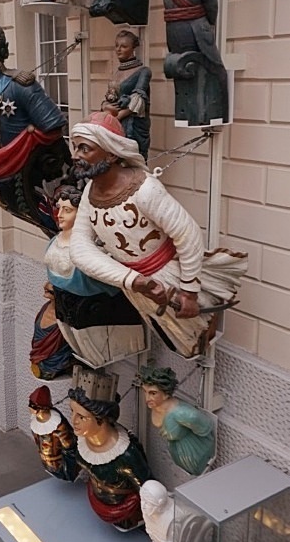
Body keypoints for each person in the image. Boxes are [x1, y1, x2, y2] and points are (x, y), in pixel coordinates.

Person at [68, 112, 247, 359]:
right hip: (139, 286)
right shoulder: (90, 192)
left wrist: (189, 291)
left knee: (193, 332)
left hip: (171, 277)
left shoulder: (145, 190)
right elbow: (79, 247)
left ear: (111, 154)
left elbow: (187, 234)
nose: (75, 155)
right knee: (171, 334)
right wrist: (134, 280)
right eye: (75, 147)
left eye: (84, 148)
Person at [0, 15, 71, 235]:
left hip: (28, 180)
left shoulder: (19, 85)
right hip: (1, 179)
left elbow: (52, 125)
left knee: (57, 229)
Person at [44, 184, 145, 368]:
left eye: (67, 210)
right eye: (59, 209)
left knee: (98, 346)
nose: (60, 215)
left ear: (81, 214)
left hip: (95, 310)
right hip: (68, 307)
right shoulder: (54, 241)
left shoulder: (90, 249)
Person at [163, 0, 229, 126]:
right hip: (177, 26)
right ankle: (190, 112)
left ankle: (208, 111)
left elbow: (210, 1)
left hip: (193, 26)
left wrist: (208, 24)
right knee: (184, 69)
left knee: (210, 68)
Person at [68, 386, 151, 530]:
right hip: (95, 499)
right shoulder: (81, 441)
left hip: (123, 511)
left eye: (81, 417)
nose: (73, 420)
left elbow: (147, 488)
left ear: (102, 419)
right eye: (72, 412)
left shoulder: (126, 455)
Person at [138, 364, 215, 475]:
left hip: (194, 454)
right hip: (178, 453)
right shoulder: (156, 405)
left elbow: (205, 426)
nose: (147, 398)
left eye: (153, 393)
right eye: (145, 391)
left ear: (166, 394)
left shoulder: (182, 413)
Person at [101, 29, 151, 159]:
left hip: (133, 125)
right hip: (114, 122)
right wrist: (105, 106)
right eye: (117, 46)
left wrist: (117, 117)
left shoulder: (143, 71)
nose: (118, 49)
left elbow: (139, 99)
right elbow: (109, 96)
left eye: (124, 46)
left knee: (133, 159)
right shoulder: (117, 73)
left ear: (133, 48)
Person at [29, 386, 80, 481]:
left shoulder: (58, 425)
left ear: (38, 408)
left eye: (31, 404)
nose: (28, 407)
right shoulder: (34, 420)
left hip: (58, 466)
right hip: (46, 462)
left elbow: (69, 445)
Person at [29, 283, 75, 380]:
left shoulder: (66, 316)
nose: (45, 285)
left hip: (56, 362)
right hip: (38, 358)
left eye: (52, 283)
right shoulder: (45, 307)